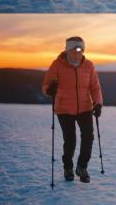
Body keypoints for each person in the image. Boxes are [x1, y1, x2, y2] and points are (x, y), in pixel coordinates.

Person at [42, 36, 103, 183]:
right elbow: (45, 86)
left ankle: (82, 167)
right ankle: (68, 168)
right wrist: (50, 90)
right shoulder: (57, 65)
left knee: (88, 137)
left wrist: (98, 103)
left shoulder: (89, 65)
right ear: (67, 50)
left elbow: (95, 87)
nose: (78, 54)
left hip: (84, 107)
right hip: (64, 108)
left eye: (81, 50)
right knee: (70, 140)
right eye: (75, 50)